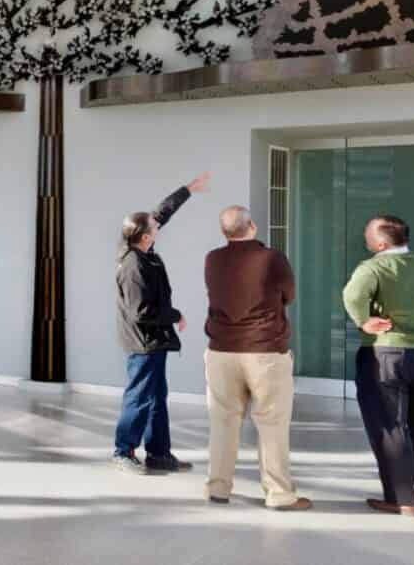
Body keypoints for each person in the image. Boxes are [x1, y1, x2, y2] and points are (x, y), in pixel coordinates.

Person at [344, 215, 414, 516]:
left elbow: (352, 296)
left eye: (368, 233)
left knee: (390, 426)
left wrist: (365, 323)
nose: (364, 237)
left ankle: (402, 498)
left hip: (385, 355)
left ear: (381, 243)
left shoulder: (373, 267)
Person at [202, 206, 311, 511]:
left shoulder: (212, 259)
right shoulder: (272, 258)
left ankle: (218, 489)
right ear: (252, 225)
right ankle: (278, 494)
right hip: (264, 352)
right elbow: (288, 295)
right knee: (272, 424)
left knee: (222, 422)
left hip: (221, 351)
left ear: (225, 232)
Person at [111, 172, 210, 475]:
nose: (158, 227)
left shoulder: (143, 248)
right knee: (140, 396)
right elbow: (141, 310)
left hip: (154, 339)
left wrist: (187, 191)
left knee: (156, 397)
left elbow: (160, 213)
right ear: (144, 236)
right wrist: (175, 315)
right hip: (143, 341)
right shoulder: (133, 265)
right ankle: (123, 451)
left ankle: (158, 453)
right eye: (153, 228)